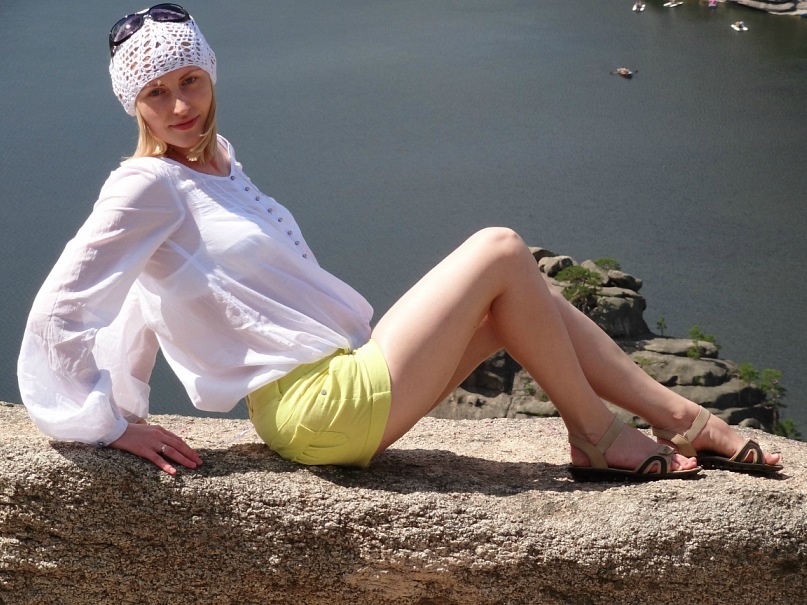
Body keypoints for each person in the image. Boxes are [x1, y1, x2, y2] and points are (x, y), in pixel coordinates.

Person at [18, 4, 781, 480]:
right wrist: (108, 421)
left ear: (210, 74)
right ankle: (592, 432)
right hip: (315, 408)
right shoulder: (145, 184)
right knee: (499, 248)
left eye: (189, 80)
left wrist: (128, 391)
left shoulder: (215, 164)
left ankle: (688, 420)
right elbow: (65, 305)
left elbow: (145, 295)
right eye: (155, 92)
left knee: (525, 303)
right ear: (133, 104)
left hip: (332, 387)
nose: (180, 104)